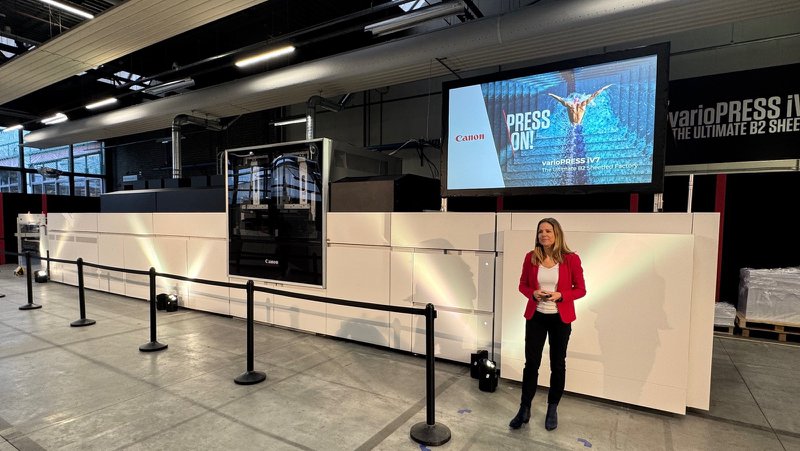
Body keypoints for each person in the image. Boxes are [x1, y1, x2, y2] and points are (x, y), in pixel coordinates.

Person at [510, 217, 586, 431]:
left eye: (548, 231)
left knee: (557, 365)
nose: (543, 234)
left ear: (556, 234)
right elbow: (522, 285)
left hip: (560, 319)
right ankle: (524, 408)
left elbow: (581, 289)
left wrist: (561, 295)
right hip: (536, 317)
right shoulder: (531, 257)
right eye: (540, 231)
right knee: (531, 364)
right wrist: (532, 293)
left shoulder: (571, 259)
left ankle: (552, 409)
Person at [547, 84, 612, 125]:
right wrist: (603, 88)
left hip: (573, 125)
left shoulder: (571, 105)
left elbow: (560, 99)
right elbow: (594, 95)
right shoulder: (581, 104)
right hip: (578, 125)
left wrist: (551, 95)